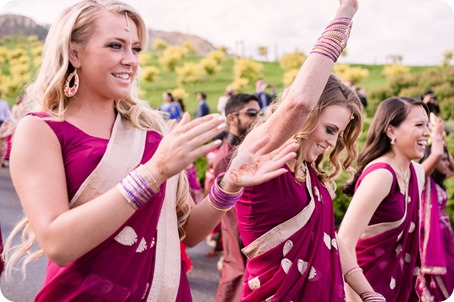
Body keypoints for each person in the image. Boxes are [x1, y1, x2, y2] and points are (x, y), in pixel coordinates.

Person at [1, 1, 299, 301]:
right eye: (115, 46)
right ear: (74, 53)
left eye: (136, 49)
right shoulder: (40, 130)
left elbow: (188, 233)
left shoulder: (152, 132)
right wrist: (154, 172)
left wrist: (229, 185)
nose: (131, 60)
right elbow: (57, 244)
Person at [235, 1, 384, 301]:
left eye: (339, 134)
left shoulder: (313, 178)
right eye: (329, 129)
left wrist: (368, 294)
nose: (332, 142)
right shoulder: (262, 155)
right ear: (307, 118)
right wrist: (346, 14)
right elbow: (299, 102)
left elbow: (334, 243)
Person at [339, 97, 430, 301]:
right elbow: (344, 242)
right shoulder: (381, 175)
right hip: (364, 287)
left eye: (427, 125)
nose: (427, 132)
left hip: (399, 287)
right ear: (391, 131)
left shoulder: (417, 172)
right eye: (419, 125)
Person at [213, 93, 261, 302]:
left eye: (260, 113)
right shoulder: (225, 157)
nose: (257, 118)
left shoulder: (247, 149)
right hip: (237, 230)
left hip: (250, 230)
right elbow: (224, 207)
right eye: (251, 113)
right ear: (232, 118)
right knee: (236, 278)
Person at [416, 115, 454, 301]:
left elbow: (452, 168)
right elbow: (437, 155)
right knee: (438, 282)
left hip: (444, 236)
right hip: (431, 236)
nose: (446, 162)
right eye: (443, 159)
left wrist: (444, 146)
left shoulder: (438, 183)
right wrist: (436, 135)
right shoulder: (423, 179)